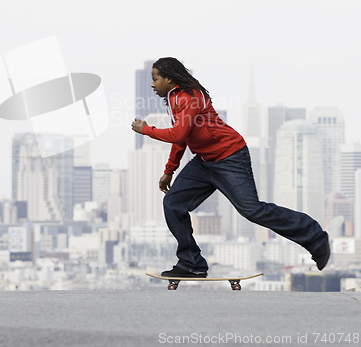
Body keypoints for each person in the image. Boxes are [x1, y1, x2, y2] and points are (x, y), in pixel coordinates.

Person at [131, 57, 330, 278]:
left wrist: (146, 130)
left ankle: (315, 237)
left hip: (230, 156)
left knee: (252, 210)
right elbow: (182, 138)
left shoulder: (190, 97)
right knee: (173, 203)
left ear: (168, 78)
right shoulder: (174, 97)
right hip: (205, 161)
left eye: (155, 79)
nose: (152, 84)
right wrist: (169, 171)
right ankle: (191, 263)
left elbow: (178, 134)